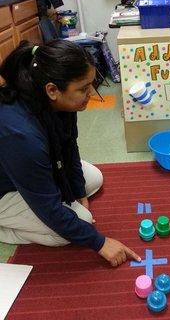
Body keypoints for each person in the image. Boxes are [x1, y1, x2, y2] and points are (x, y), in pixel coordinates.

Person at [0, 40, 141, 267]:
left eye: (90, 85)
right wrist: (99, 242)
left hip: (29, 170)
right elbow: (48, 208)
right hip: (5, 190)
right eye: (83, 88)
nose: (91, 94)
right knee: (74, 227)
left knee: (93, 180)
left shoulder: (60, 103)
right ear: (53, 90)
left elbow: (69, 148)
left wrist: (77, 192)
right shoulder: (21, 136)